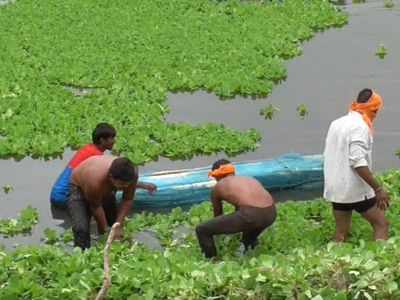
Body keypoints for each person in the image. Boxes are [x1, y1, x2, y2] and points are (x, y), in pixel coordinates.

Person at [323, 88, 390, 242]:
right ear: (373, 109)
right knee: (381, 224)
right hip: (355, 189)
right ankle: (381, 258)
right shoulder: (360, 127)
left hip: (336, 188)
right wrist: (378, 189)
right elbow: (357, 161)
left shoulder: (336, 123)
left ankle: (332, 261)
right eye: (376, 111)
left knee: (341, 233)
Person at [68, 155, 156, 249]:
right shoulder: (95, 181)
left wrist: (117, 225)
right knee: (81, 229)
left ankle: (111, 248)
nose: (125, 187)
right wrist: (106, 230)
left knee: (113, 222)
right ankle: (84, 253)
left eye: (127, 184)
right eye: (122, 184)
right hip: (79, 186)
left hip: (106, 184)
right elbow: (96, 207)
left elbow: (127, 199)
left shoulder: (132, 174)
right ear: (111, 177)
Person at [195, 159, 276, 258]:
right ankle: (252, 251)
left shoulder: (218, 187)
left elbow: (218, 215)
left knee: (202, 230)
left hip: (251, 215)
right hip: (271, 213)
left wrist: (219, 232)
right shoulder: (248, 179)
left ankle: (212, 260)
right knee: (248, 238)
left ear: (216, 175)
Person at [50, 123, 116, 206]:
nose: (114, 141)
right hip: (63, 196)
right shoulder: (96, 156)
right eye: (112, 138)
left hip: (57, 192)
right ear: (102, 140)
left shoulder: (88, 147)